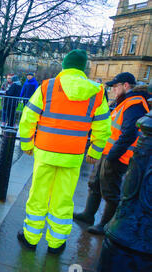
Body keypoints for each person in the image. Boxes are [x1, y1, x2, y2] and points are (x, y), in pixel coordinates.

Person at [18, 49, 111, 254]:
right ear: (83, 68)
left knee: (38, 195)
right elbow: (103, 127)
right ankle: (57, 242)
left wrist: (26, 144)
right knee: (63, 199)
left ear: (65, 66)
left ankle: (31, 238)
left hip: (45, 151)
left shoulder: (47, 87)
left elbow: (28, 118)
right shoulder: (96, 92)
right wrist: (95, 152)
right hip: (73, 155)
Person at [74, 72, 150, 235]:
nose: (113, 90)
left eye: (115, 87)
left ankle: (106, 225)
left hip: (117, 156)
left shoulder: (134, 103)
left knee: (110, 191)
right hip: (108, 152)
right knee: (95, 184)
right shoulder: (126, 101)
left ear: (125, 85)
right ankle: (88, 215)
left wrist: (113, 154)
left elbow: (129, 133)